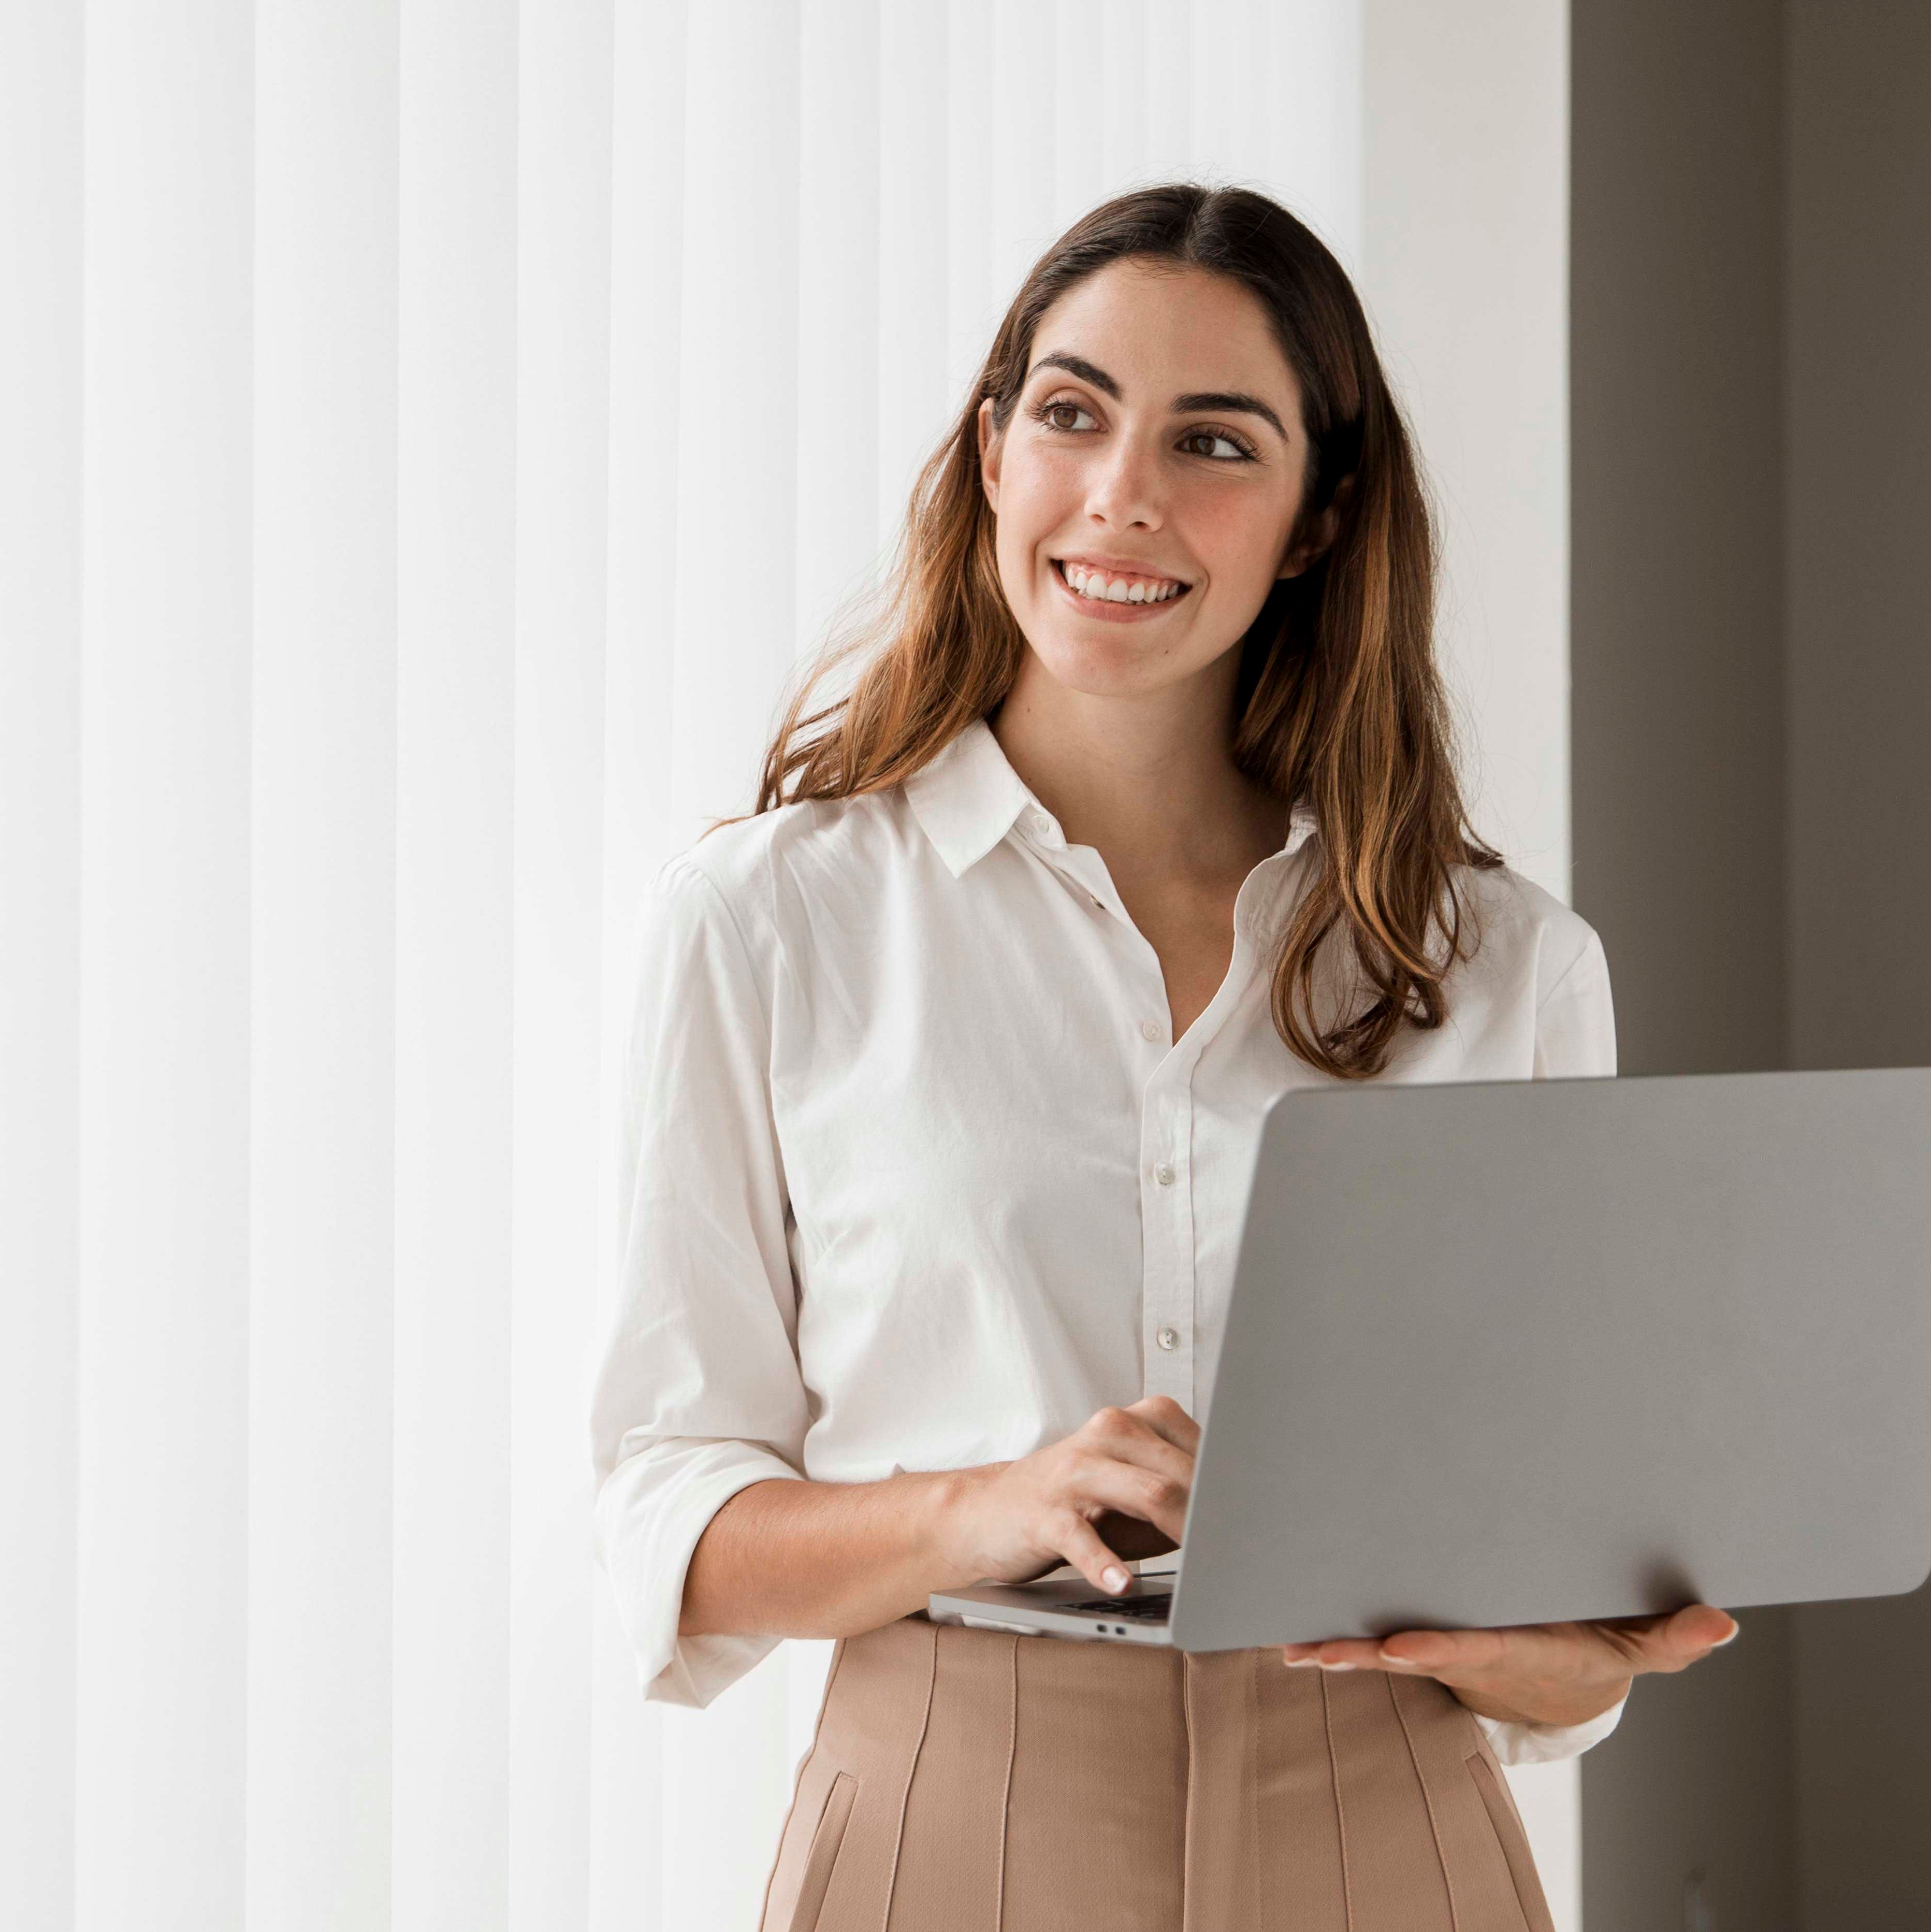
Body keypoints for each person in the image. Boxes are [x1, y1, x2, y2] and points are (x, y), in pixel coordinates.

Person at [585, 183, 1737, 1932]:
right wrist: (1004, 1500)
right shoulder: (774, 921)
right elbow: (674, 1511)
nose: (1123, 491)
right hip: (949, 1806)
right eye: (1071, 411)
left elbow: (1570, 1680)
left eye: (1214, 440)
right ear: (991, 455)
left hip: (1390, 1800)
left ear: (1317, 517)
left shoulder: (1503, 966)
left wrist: (1565, 1650)